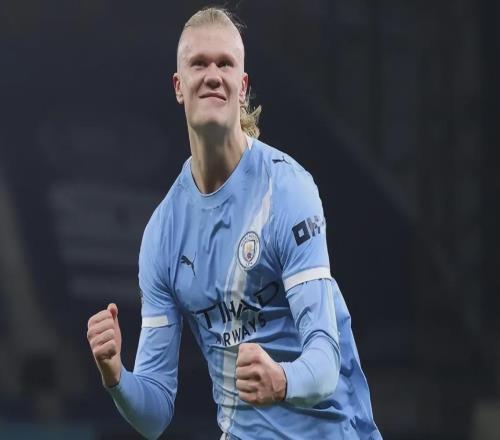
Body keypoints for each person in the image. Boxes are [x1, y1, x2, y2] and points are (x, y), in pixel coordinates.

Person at [86, 6, 382, 440]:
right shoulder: (163, 234)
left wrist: (280, 380)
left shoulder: (286, 190)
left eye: (225, 63)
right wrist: (116, 377)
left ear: (241, 87)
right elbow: (154, 413)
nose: (212, 75)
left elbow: (325, 360)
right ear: (178, 86)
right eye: (199, 64)